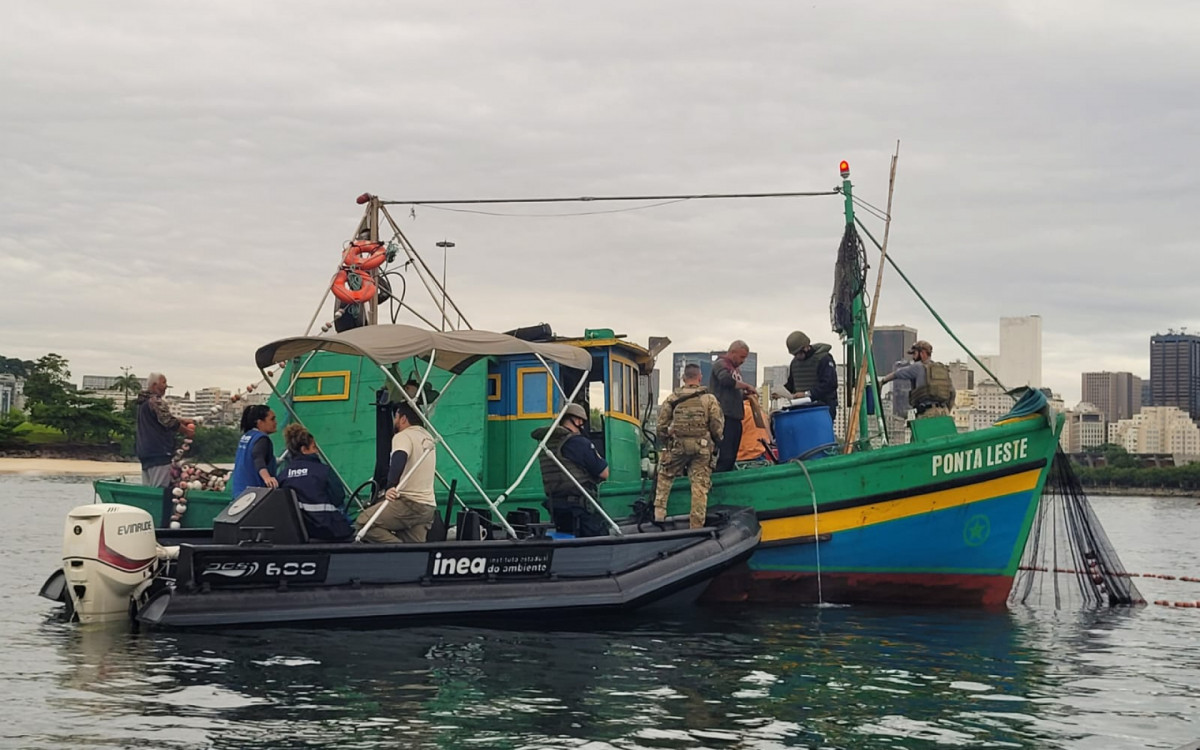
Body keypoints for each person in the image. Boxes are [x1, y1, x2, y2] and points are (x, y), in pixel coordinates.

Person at [355, 403, 438, 543]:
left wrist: (390, 486)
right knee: (415, 547)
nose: (395, 421)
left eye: (396, 417)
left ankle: (397, 548)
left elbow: (399, 458)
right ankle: (406, 556)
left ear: (403, 419)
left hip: (409, 503)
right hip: (428, 507)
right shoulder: (427, 437)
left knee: (364, 523)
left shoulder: (403, 436)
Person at [654, 363, 724, 528]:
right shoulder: (709, 398)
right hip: (702, 446)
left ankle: (659, 514)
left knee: (665, 474)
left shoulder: (673, 398)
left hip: (678, 445)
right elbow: (716, 424)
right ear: (699, 378)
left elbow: (661, 426)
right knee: (699, 486)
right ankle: (696, 526)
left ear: (683, 378)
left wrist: (667, 440)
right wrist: (716, 439)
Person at [531, 402, 610, 537]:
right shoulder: (579, 442)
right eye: (582, 422)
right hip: (581, 510)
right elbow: (604, 473)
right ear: (577, 420)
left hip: (557, 508)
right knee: (601, 538)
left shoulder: (547, 443)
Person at [277, 423, 353, 541]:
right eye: (314, 447)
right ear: (304, 450)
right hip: (330, 530)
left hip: (300, 532)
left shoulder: (282, 476)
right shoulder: (323, 471)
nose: (317, 451)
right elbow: (339, 497)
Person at [134, 372, 194, 488]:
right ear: (155, 385)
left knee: (148, 489)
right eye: (164, 382)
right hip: (159, 452)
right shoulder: (155, 400)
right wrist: (187, 431)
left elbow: (162, 418)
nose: (166, 386)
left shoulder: (143, 402)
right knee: (159, 489)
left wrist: (183, 421)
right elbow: (169, 421)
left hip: (145, 452)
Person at [709, 340, 756, 472]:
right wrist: (746, 385)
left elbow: (734, 391)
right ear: (732, 352)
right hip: (724, 416)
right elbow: (725, 380)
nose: (743, 361)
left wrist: (746, 395)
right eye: (741, 357)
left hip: (735, 417)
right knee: (725, 455)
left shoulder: (736, 370)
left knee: (732, 456)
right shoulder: (721, 364)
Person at [879, 339, 956, 418]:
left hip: (927, 413)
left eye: (914, 353)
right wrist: (947, 410)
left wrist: (883, 381)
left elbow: (897, 374)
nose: (913, 357)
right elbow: (952, 393)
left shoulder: (918, 367)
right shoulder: (941, 369)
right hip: (944, 412)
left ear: (922, 353)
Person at [784, 331, 839, 421]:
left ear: (806, 347)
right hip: (801, 409)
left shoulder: (823, 358)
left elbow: (829, 384)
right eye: (795, 354)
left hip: (822, 408)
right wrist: (780, 392)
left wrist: (807, 394)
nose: (797, 356)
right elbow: (791, 384)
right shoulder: (794, 363)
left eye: (799, 353)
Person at [229, 405, 279, 498]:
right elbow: (258, 457)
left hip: (239, 492)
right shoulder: (262, 439)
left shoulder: (246, 436)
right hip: (253, 496)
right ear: (260, 423)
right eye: (272, 419)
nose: (275, 422)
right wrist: (267, 477)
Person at [736, 394, 773, 463]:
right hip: (759, 454)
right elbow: (769, 437)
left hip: (741, 456)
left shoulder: (738, 412)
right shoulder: (760, 413)